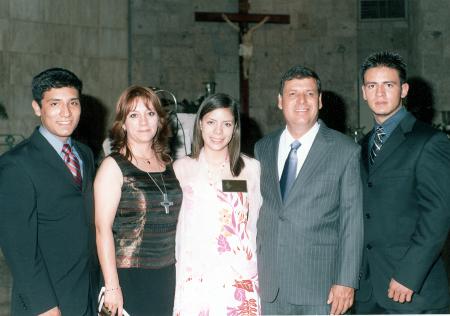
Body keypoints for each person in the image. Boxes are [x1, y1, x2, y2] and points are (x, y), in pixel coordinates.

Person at [255, 65, 364, 315]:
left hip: (320, 287)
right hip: (271, 286)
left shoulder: (344, 150)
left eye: (310, 93)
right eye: (293, 94)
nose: (302, 101)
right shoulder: (263, 147)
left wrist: (346, 281)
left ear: (320, 100)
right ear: (280, 101)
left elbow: (352, 221)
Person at [354, 51, 450, 314]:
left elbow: (438, 215)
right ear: (364, 92)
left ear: (404, 89)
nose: (380, 93)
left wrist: (409, 274)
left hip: (412, 291)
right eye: (372, 86)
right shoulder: (362, 147)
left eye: (389, 85)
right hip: (369, 291)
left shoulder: (429, 142)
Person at [0, 68, 97, 315]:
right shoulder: (16, 164)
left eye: (73, 103)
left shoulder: (84, 154)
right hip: (47, 302)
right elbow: (19, 249)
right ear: (37, 107)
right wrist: (45, 307)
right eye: (55, 103)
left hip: (86, 295)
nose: (66, 113)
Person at [94, 86, 182, 316]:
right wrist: (112, 286)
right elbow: (102, 230)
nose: (143, 121)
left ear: (160, 121)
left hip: (167, 274)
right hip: (129, 276)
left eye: (150, 113)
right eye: (134, 115)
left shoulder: (168, 164)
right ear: (123, 123)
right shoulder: (113, 166)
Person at [173, 93, 262, 315]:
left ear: (235, 129)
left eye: (227, 124)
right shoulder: (181, 169)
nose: (218, 131)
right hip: (196, 280)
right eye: (211, 122)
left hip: (239, 279)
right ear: (200, 124)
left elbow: (256, 225)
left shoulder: (251, 169)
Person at [222, 13, 269, 79]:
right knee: (244, 61)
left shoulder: (250, 31)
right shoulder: (240, 31)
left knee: (248, 60)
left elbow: (258, 25)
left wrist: (264, 20)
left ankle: (247, 72)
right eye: (243, 27)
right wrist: (226, 19)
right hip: (243, 47)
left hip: (249, 47)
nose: (244, 28)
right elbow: (232, 25)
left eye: (245, 27)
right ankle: (245, 73)